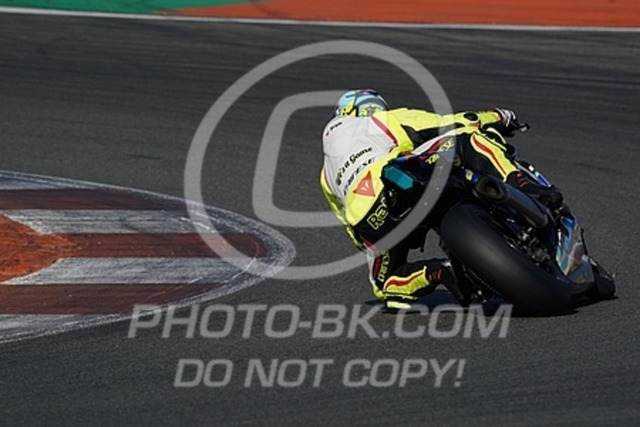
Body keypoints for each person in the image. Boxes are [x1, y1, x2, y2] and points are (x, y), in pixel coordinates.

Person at [320, 88, 548, 310]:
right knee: (467, 137)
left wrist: (376, 240)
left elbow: (348, 223)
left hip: (368, 218)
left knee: (385, 285)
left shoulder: (325, 175)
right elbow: (452, 122)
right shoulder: (380, 121)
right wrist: (500, 116)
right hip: (396, 175)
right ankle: (524, 185)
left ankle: (439, 272)